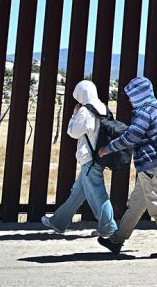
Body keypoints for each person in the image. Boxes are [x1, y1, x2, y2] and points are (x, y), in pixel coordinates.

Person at [96, 76, 157, 258]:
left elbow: (132, 137)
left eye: (130, 95)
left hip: (150, 166)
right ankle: (116, 240)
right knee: (136, 205)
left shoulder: (144, 111)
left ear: (138, 94)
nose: (129, 99)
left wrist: (108, 148)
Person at [41, 80, 117, 237]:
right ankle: (58, 222)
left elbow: (73, 133)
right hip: (99, 156)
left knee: (98, 194)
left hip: (88, 158)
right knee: (77, 192)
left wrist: (74, 114)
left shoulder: (85, 110)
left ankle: (109, 228)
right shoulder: (103, 107)